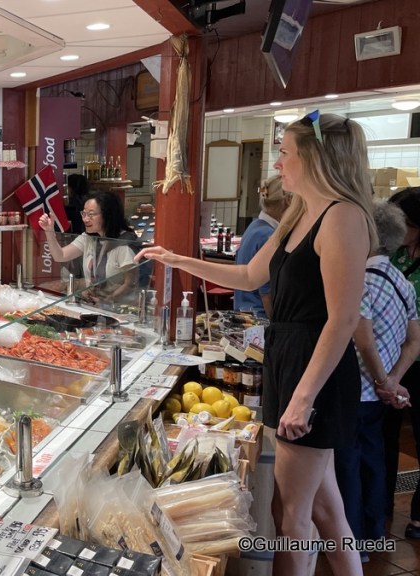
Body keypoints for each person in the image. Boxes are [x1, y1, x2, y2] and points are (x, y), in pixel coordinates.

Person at [137, 112, 374, 575]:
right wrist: (177, 259)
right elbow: (249, 275)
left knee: (291, 518)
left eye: (285, 152)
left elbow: (343, 319)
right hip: (287, 357)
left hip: (315, 369)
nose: (278, 162)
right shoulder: (301, 213)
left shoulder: (342, 217)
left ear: (314, 158)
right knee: (326, 511)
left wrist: (303, 398)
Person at [334, 200, 417, 558]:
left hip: (355, 389)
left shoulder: (359, 279)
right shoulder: (403, 282)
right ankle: (374, 533)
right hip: (384, 395)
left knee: (348, 465)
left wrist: (382, 380)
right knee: (375, 460)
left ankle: (352, 544)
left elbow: (361, 336)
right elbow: (415, 341)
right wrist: (395, 379)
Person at [384, 187, 420, 538]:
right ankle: (380, 506)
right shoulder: (395, 255)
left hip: (416, 361)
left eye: (404, 223)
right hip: (391, 360)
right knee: (386, 435)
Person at [38, 190, 138, 303]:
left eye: (91, 214)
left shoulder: (123, 244)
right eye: (84, 213)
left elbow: (129, 285)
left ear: (107, 214)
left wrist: (107, 301)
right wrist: (49, 231)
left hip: (118, 307)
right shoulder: (88, 238)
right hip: (95, 303)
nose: (85, 219)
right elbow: (60, 255)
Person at [233, 175, 290, 317]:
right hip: (259, 316)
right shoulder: (268, 236)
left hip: (243, 311)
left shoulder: (254, 226)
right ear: (288, 201)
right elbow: (267, 294)